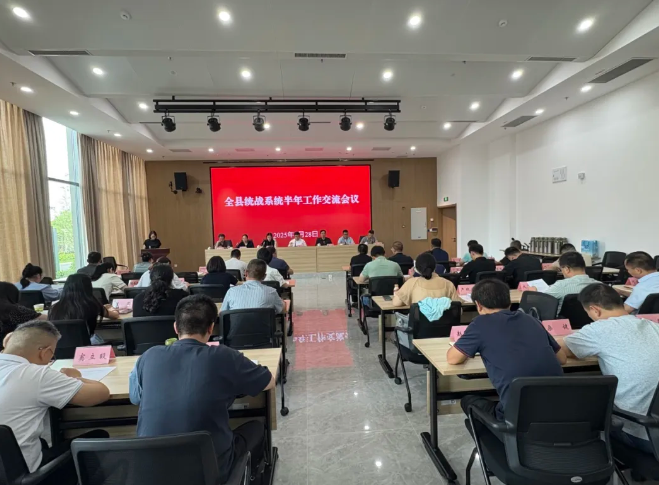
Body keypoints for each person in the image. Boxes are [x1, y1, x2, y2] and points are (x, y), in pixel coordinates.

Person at [129, 295, 275, 483]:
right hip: (209, 472)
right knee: (257, 427)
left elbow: (135, 398)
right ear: (211, 328)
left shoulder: (148, 356)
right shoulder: (223, 355)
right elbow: (268, 381)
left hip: (151, 472)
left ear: (176, 327)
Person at [447, 279, 566, 420]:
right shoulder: (531, 319)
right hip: (559, 411)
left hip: (517, 418)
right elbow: (562, 358)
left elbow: (453, 359)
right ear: (509, 303)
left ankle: (496, 432)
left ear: (478, 305)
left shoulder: (480, 324)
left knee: (468, 401)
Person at [0, 321, 110, 473]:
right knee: (99, 436)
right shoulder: (37, 375)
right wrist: (76, 377)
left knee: (42, 442)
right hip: (20, 474)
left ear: (7, 340)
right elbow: (100, 393)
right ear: (45, 353)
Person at [561, 284, 659, 454]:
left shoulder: (599, 329)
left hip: (644, 434)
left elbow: (562, 349)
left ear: (595, 310)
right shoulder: (653, 326)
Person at [49, 274, 120, 345]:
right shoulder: (91, 305)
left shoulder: (54, 307)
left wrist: (102, 307)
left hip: (60, 347)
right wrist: (111, 308)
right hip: (85, 346)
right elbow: (115, 315)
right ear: (88, 288)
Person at [530, 252, 600, 313]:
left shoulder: (561, 285)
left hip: (562, 322)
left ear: (567, 269)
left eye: (561, 269)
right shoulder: (600, 286)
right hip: (591, 322)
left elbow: (539, 301)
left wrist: (533, 293)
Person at [393, 253, 460, 306]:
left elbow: (396, 303)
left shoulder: (411, 283)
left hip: (419, 320)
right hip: (444, 320)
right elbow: (458, 309)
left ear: (417, 269)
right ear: (435, 267)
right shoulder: (448, 284)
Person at [221, 260, 285, 313]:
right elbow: (282, 309)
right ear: (264, 276)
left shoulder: (231, 291)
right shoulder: (271, 292)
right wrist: (283, 302)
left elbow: (222, 313)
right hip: (263, 325)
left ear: (246, 273)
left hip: (237, 325)